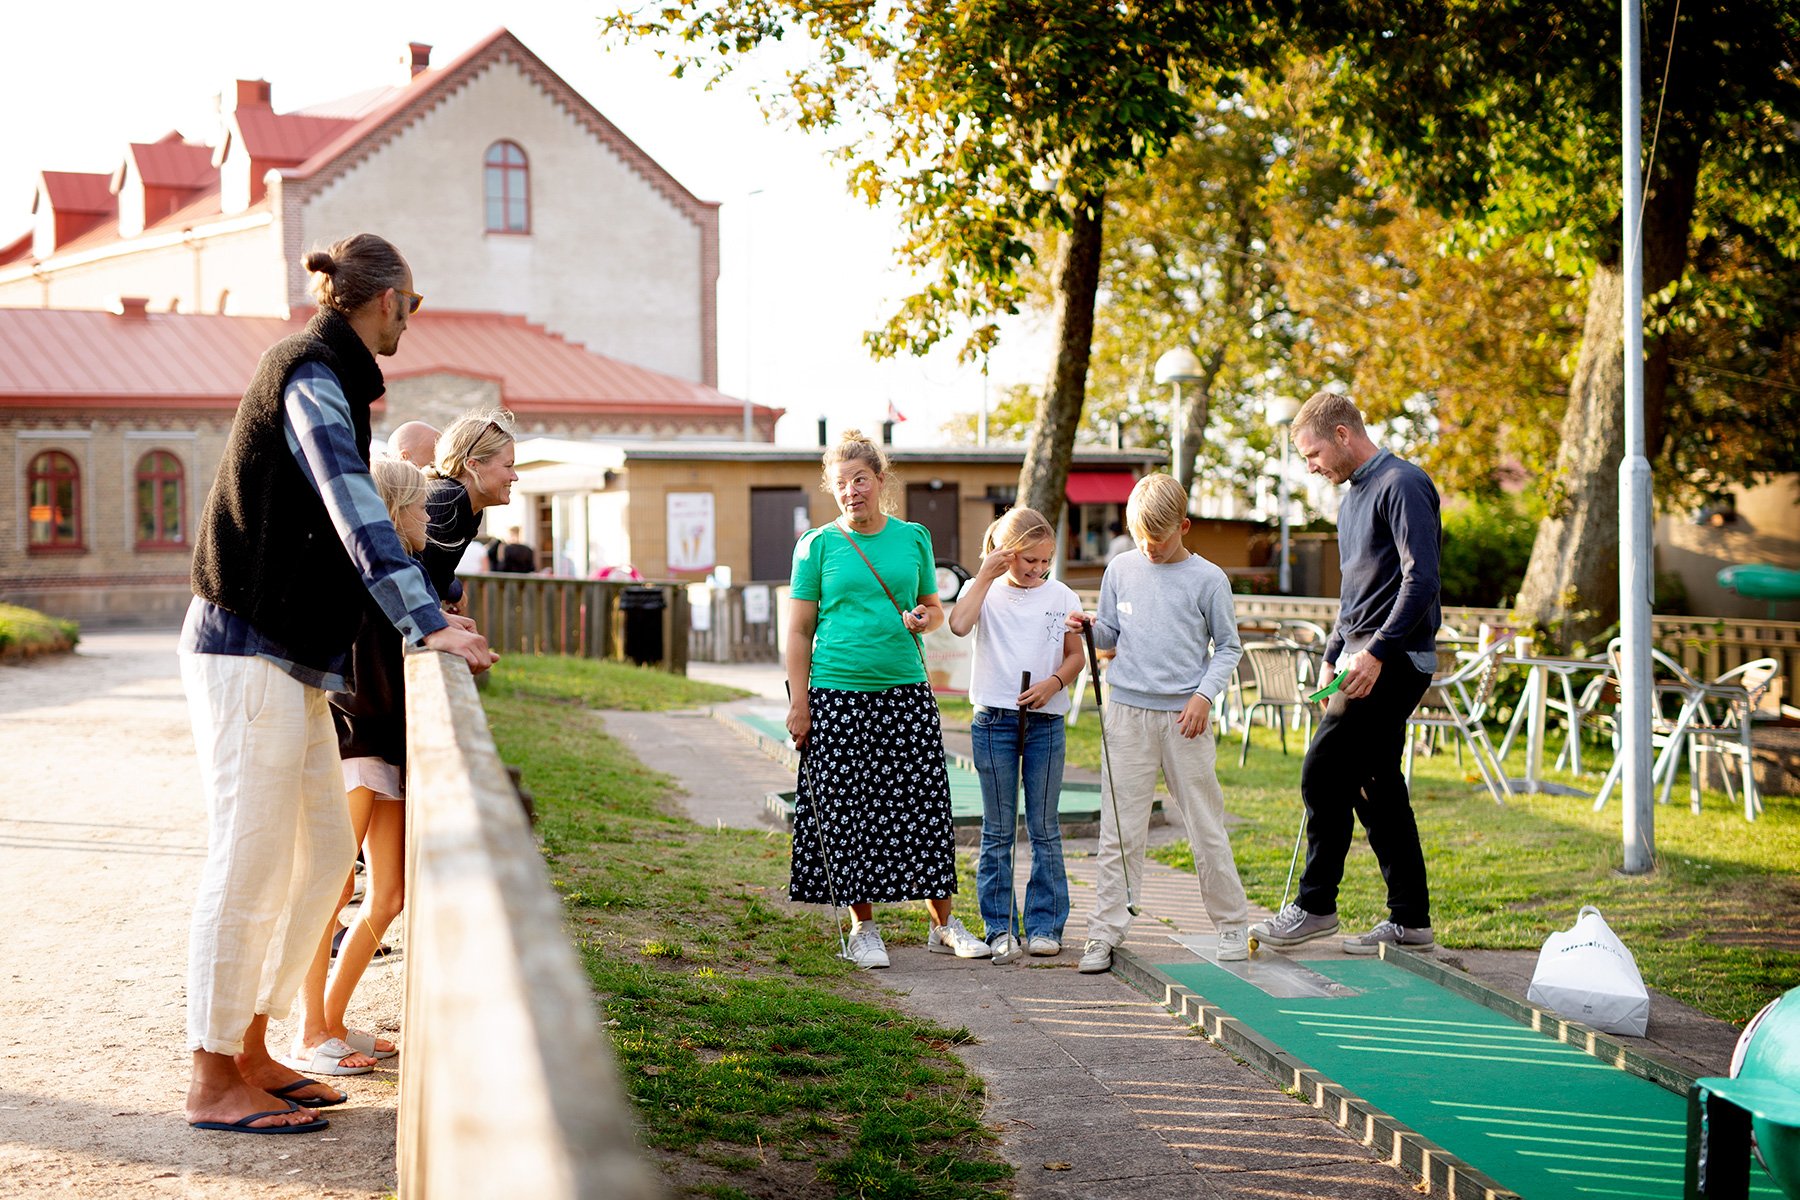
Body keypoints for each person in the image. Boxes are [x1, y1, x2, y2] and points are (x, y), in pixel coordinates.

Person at [180, 233, 494, 1134]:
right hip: (245, 650)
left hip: (288, 661)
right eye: (416, 304)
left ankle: (251, 1047)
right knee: (247, 859)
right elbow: (355, 507)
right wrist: (425, 619)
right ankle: (211, 1076)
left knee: (322, 857)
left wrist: (428, 611)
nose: (414, 319)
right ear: (389, 300)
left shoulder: (335, 375)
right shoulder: (312, 372)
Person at [784, 429, 988, 968]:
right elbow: (799, 630)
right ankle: (863, 928)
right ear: (831, 489)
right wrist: (799, 702)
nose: (852, 491)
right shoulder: (817, 545)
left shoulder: (912, 538)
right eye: (841, 483)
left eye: (861, 480)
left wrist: (927, 617)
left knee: (923, 808)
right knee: (849, 814)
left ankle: (943, 924)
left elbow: (932, 606)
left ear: (880, 480)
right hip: (836, 694)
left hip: (904, 690)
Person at [1249, 391, 1443, 955]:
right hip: (1358, 659)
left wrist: (1376, 652)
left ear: (1341, 434)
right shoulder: (1352, 497)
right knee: (1375, 786)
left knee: (1322, 771)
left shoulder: (1402, 484)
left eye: (1312, 453)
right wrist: (1335, 650)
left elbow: (1421, 580)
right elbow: (1353, 592)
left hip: (1393, 661)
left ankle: (1315, 907)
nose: (1310, 466)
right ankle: (1411, 920)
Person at [284, 457, 430, 1076]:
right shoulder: (363, 575)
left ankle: (335, 1019)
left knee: (389, 893)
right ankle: (309, 1032)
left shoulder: (403, 574)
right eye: (421, 507)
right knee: (332, 889)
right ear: (395, 513)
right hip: (353, 743)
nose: (430, 516)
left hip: (387, 748)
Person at [1072, 472, 1249, 975]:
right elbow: (1109, 632)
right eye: (1140, 536)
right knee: (1119, 830)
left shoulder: (1208, 579)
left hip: (1184, 717)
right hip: (1126, 713)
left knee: (1204, 822)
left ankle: (1232, 924)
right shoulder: (1121, 567)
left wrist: (1202, 696)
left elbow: (1229, 647)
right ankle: (1104, 932)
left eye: (1160, 537)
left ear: (1184, 526)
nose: (1149, 547)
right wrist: (1087, 626)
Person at [947, 507, 1084, 963]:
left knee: (1044, 827)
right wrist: (984, 575)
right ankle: (999, 927)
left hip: (1045, 722)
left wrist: (1053, 683)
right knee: (999, 829)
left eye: (1046, 560)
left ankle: (1044, 924)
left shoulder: (1061, 595)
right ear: (1006, 553)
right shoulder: (981, 591)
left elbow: (1075, 657)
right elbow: (959, 625)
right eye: (1030, 560)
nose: (1038, 569)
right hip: (994, 722)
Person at [418, 408, 518, 601]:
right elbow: (416, 581)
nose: (514, 476)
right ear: (473, 465)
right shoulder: (449, 500)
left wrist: (451, 591)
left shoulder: (469, 508)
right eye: (508, 465)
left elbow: (435, 577)